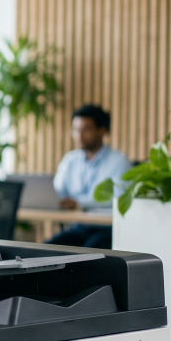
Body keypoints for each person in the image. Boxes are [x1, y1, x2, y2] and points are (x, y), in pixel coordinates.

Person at [49, 104, 131, 249]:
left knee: (87, 254)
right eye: (75, 130)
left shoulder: (119, 161)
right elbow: (58, 190)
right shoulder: (70, 160)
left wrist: (79, 204)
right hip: (79, 227)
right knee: (47, 248)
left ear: (102, 130)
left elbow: (118, 198)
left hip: (107, 229)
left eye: (85, 130)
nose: (79, 135)